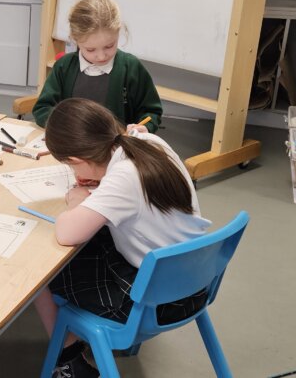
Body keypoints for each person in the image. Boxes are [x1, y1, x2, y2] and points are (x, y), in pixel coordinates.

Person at [33, 98, 211, 378]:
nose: (75, 175)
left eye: (71, 167)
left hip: (155, 304)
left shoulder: (123, 179)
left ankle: (68, 360)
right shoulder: (150, 142)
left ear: (78, 160)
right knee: (99, 233)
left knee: (40, 269)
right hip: (196, 282)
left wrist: (75, 200)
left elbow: (66, 232)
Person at [32, 0, 162, 135]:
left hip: (116, 150)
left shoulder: (131, 68)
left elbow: (151, 112)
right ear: (75, 40)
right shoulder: (64, 67)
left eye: (109, 46)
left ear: (118, 33)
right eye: (90, 49)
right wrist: (64, 125)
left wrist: (145, 126)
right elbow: (42, 109)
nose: (101, 56)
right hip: (72, 147)